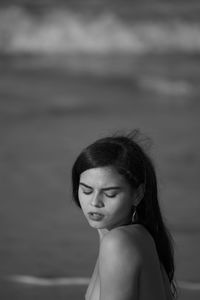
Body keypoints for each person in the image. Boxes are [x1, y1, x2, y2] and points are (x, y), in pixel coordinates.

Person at [71, 130, 177, 300]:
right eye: (87, 190)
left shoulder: (117, 242)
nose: (95, 202)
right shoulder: (138, 236)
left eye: (110, 193)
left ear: (138, 194)